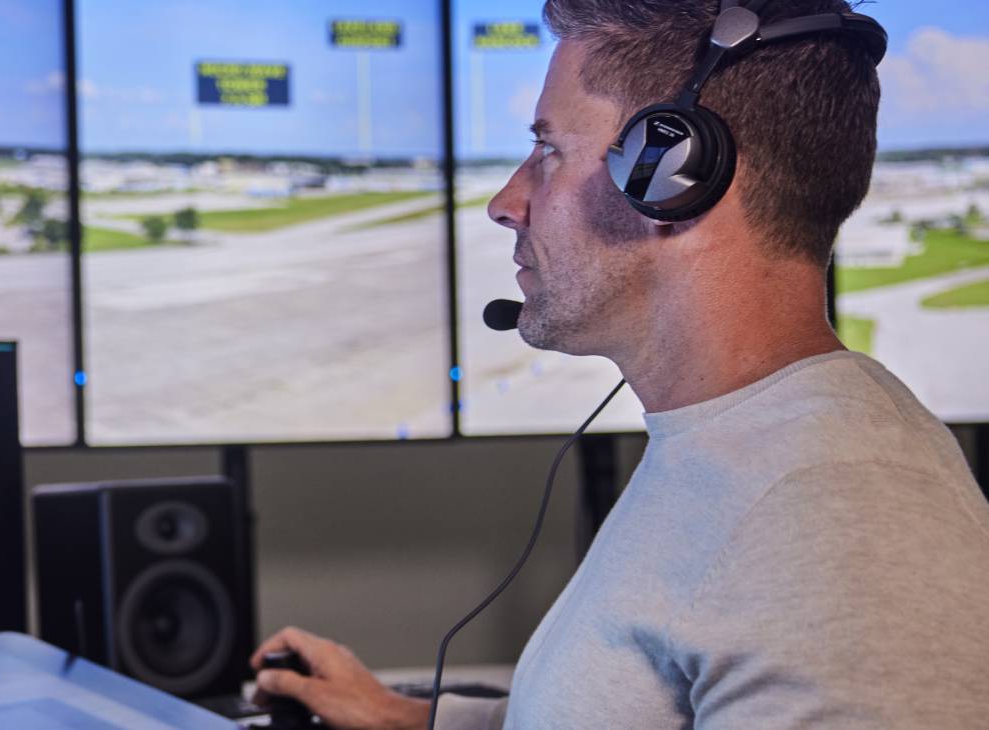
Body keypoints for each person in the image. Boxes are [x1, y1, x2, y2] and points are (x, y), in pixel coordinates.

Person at [249, 1, 989, 728]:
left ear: (674, 175)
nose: (507, 202)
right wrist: (408, 719)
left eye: (547, 151)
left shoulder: (839, 524)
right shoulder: (730, 443)